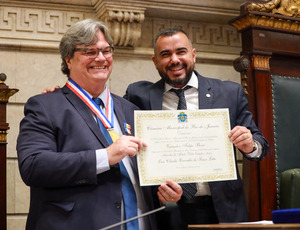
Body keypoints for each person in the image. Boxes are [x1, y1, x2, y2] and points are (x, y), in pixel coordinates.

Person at [17, 19, 158, 230]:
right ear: (69, 60)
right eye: (89, 52)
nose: (100, 58)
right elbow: (33, 166)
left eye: (106, 50)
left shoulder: (131, 109)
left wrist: (162, 193)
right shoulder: (45, 105)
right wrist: (105, 156)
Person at [123, 28, 269, 229]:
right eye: (165, 54)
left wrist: (250, 145)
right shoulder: (138, 95)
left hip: (222, 211)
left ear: (193, 54)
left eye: (181, 52)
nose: (174, 59)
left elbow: (260, 145)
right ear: (155, 61)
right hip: (167, 212)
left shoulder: (228, 93)